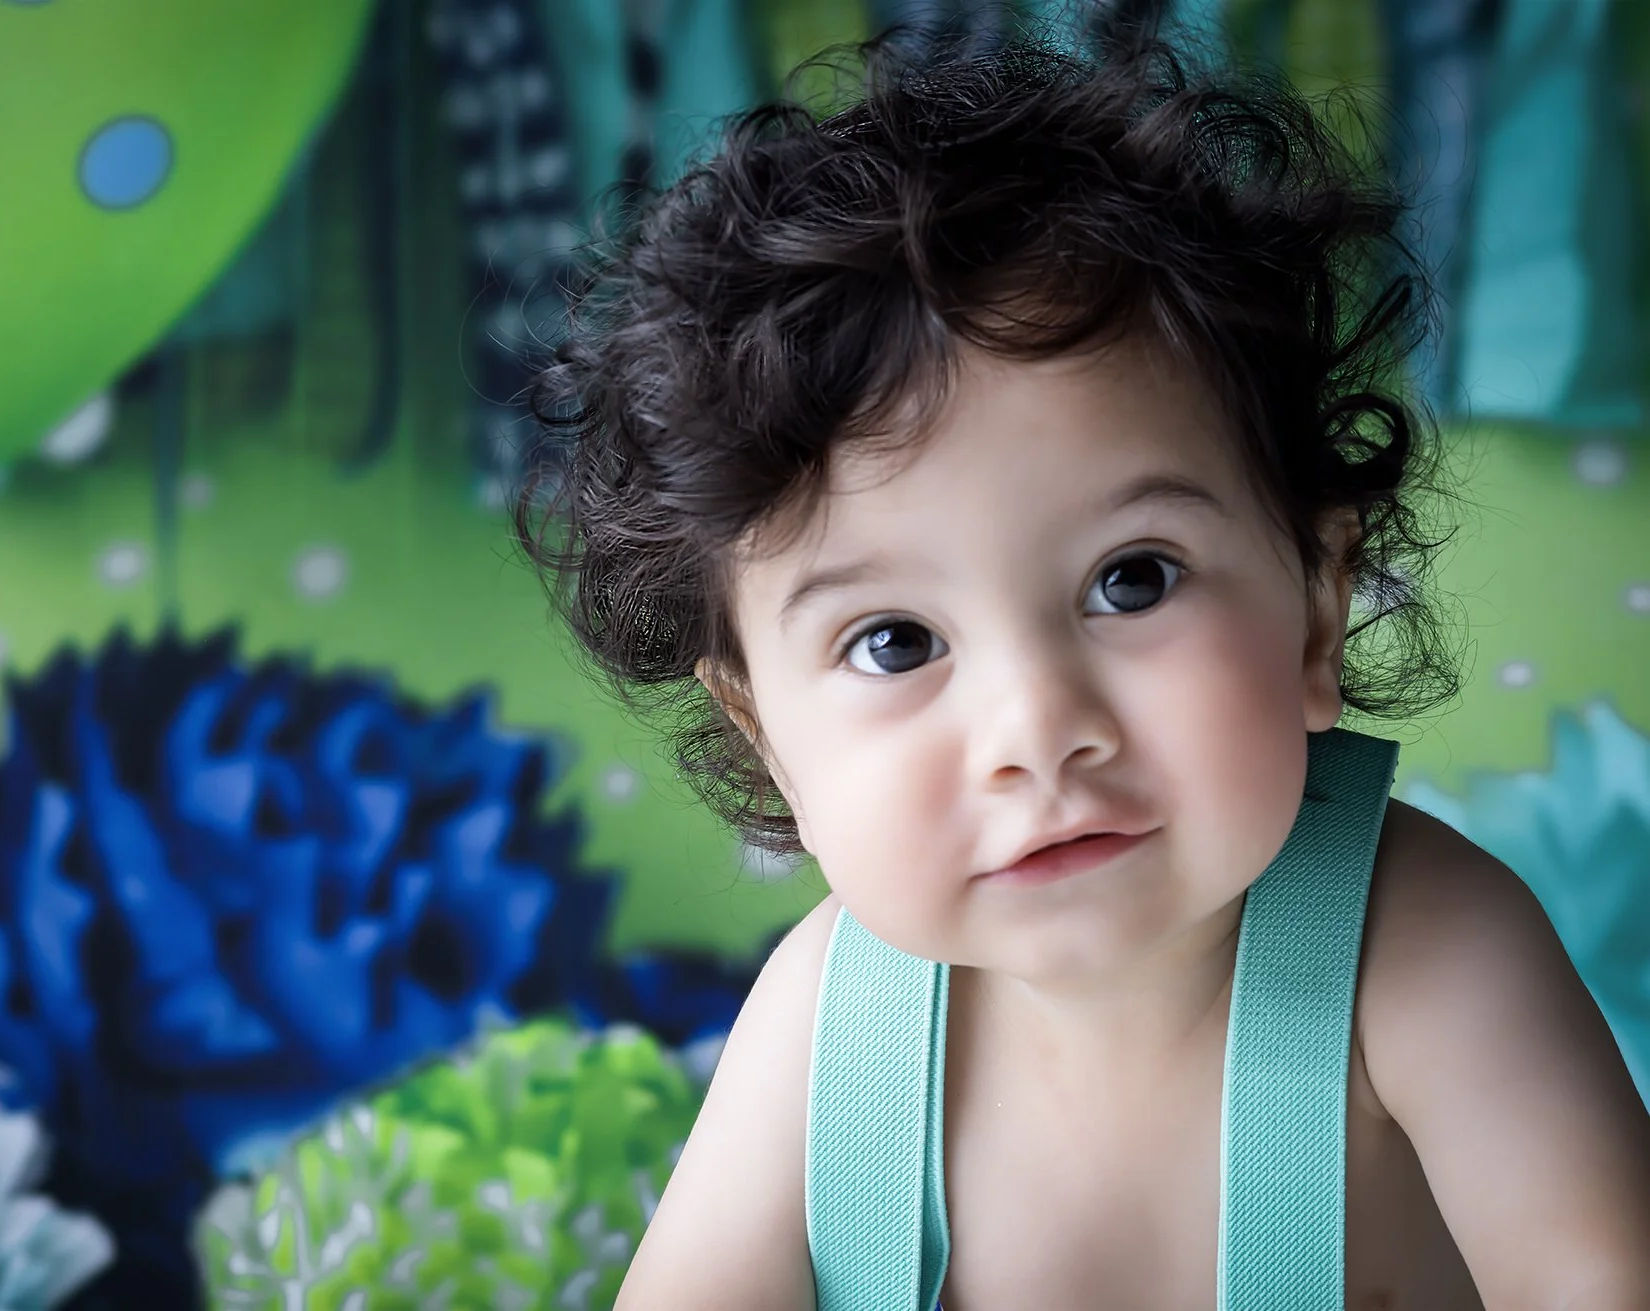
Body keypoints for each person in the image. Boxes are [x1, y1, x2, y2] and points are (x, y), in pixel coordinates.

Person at [516, 21, 1650, 1310]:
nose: (1038, 729)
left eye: (1134, 578)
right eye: (894, 643)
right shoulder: (826, 1026)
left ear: (1318, 611)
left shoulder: (1426, 955)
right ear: (765, 735)